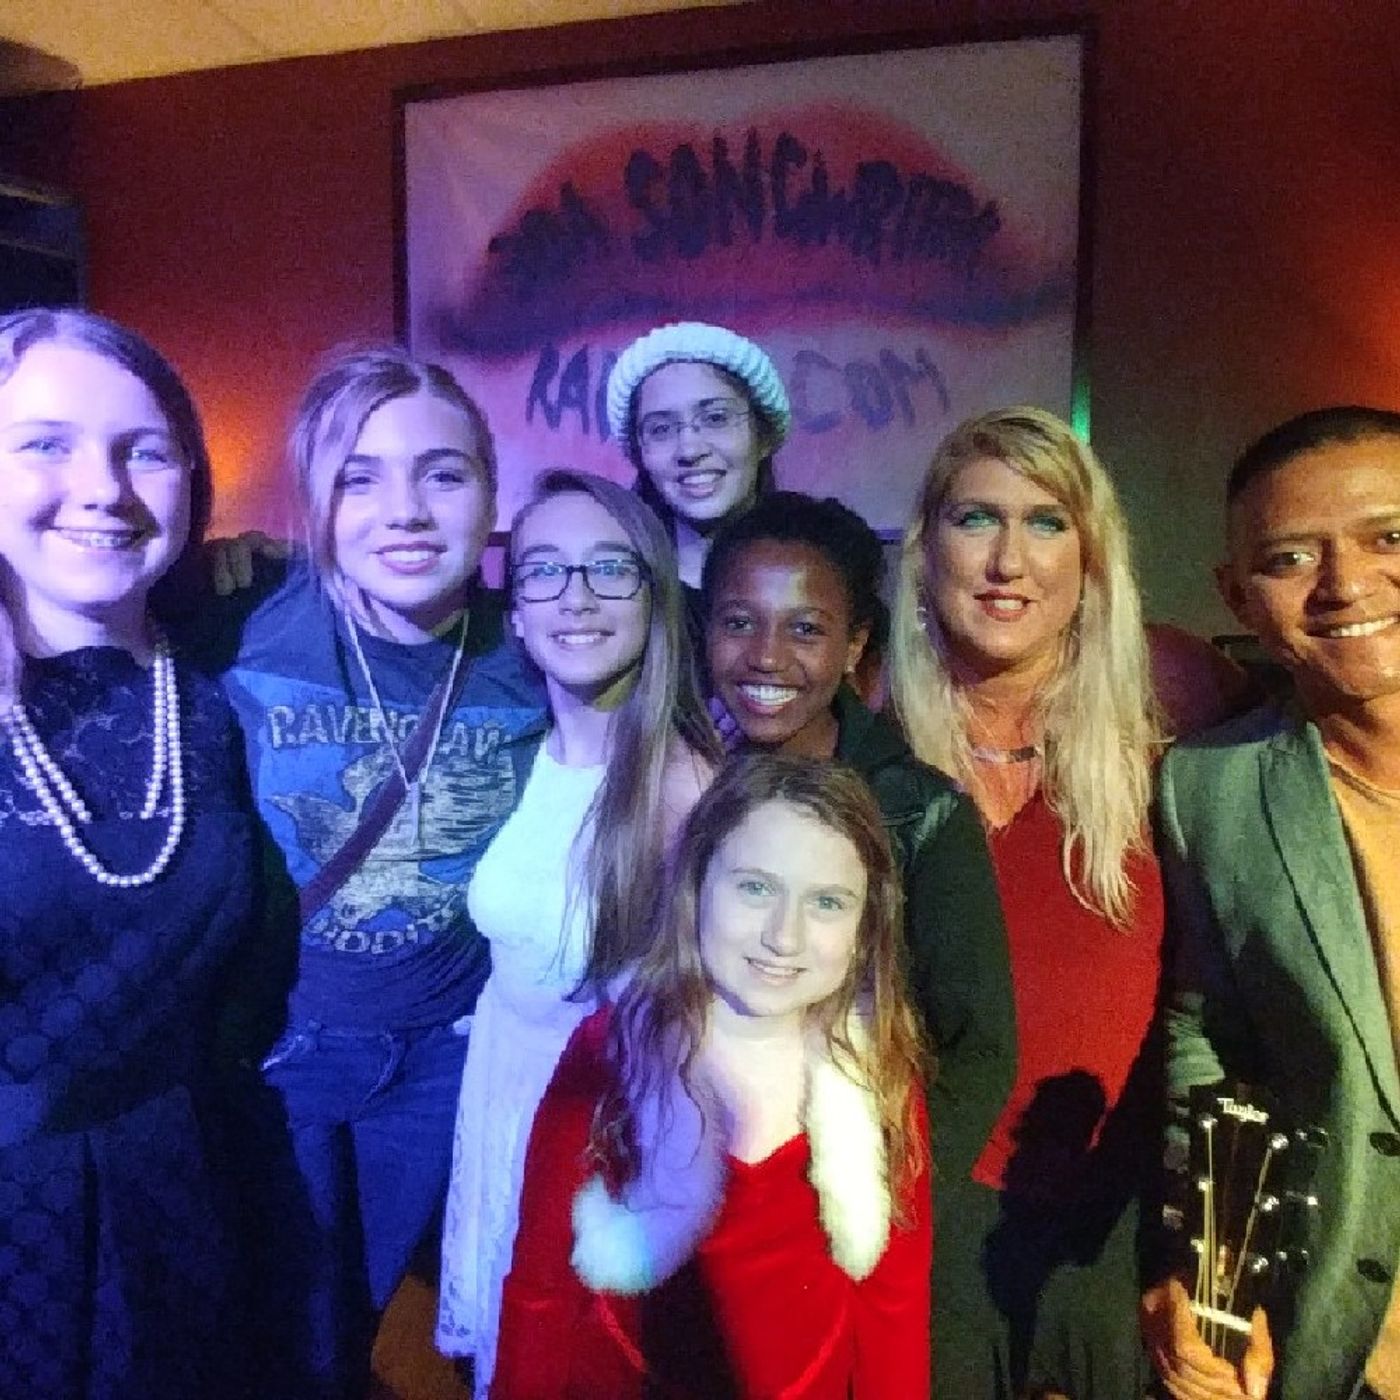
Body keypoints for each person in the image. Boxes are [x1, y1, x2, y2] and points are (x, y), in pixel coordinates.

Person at [191, 346, 548, 1399]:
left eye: (443, 473)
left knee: (361, 1312)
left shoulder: (533, 649)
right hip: (282, 1047)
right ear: (318, 499)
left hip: (441, 1057)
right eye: (361, 476)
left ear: (490, 494)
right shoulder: (240, 621)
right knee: (273, 1329)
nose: (406, 511)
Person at [493, 752, 932, 1398]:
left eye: (827, 902)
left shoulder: (877, 1077)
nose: (784, 937)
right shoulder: (610, 1052)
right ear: (697, 883)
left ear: (866, 928)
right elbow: (541, 1288)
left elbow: (895, 1313)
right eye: (755, 888)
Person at [0, 308, 256, 1398]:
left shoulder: (212, 694)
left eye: (143, 450)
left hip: (177, 1197)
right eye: (45, 444)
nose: (102, 488)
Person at [890, 406, 1165, 1399]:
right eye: (975, 519)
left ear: (1089, 562)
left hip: (1109, 1229)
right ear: (926, 553)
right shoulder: (864, 768)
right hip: (920, 1217)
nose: (1007, 560)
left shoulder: (1166, 764)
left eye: (1046, 522)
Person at [436, 470, 716, 1395]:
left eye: (609, 568)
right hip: (505, 1100)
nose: (577, 597)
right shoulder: (522, 756)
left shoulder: (686, 788)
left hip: (599, 1141)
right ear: (515, 613)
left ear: (654, 597)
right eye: (545, 571)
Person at [1143, 406, 1400, 1400]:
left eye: (1388, 538)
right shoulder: (1211, 787)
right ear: (1238, 597)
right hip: (1346, 1346)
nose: (1344, 585)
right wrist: (1215, 1276)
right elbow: (1207, 1035)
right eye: (1289, 558)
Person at [606, 320, 790, 645]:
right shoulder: (614, 587)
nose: (690, 450)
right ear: (640, 453)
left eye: (716, 418)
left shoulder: (817, 572)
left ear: (763, 436)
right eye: (661, 429)